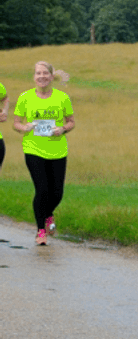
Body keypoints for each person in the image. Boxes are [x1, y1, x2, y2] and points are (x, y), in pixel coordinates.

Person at [11, 61, 75, 246]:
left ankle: (48, 215)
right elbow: (16, 123)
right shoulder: (25, 97)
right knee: (43, 190)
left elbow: (71, 122)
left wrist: (62, 129)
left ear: (51, 76)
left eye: (45, 73)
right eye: (38, 73)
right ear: (34, 77)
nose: (41, 76)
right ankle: (41, 231)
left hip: (58, 149)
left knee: (57, 193)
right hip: (33, 149)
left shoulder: (62, 97)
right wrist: (25, 127)